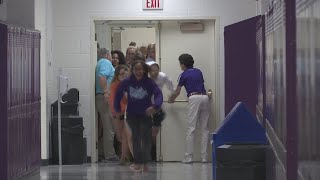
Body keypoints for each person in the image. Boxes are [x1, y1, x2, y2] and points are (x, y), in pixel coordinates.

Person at [114, 60, 163, 171]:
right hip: (131, 114)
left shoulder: (149, 82)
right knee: (135, 137)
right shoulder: (127, 82)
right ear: (133, 70)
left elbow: (158, 94)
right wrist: (117, 108)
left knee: (145, 138)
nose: (138, 72)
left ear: (145, 70)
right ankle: (138, 162)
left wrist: (155, 106)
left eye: (140, 69)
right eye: (136, 69)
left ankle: (144, 163)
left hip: (145, 114)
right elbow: (118, 94)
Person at [168, 53, 209, 163]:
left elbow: (177, 91)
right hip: (204, 97)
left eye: (180, 64)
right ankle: (204, 157)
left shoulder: (183, 74)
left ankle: (188, 157)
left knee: (191, 128)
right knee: (204, 129)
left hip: (194, 97)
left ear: (183, 64)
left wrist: (171, 99)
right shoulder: (198, 71)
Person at [146, 61, 174, 160]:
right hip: (147, 106)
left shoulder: (162, 76)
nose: (154, 72)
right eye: (151, 70)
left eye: (156, 70)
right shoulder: (145, 78)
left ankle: (153, 152)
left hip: (158, 106)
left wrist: (172, 95)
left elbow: (170, 85)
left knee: (154, 132)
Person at [95, 48, 119, 162]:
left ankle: (101, 152)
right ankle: (110, 155)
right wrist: (106, 91)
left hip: (102, 97)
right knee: (109, 127)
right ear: (108, 55)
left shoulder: (99, 62)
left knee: (105, 126)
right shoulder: (105, 62)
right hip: (105, 97)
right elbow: (102, 76)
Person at [109, 65, 131, 163]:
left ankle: (124, 157)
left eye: (125, 74)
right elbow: (113, 99)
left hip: (127, 112)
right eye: (121, 74)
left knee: (125, 136)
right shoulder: (115, 85)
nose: (123, 76)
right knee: (120, 136)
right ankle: (125, 156)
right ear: (117, 75)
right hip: (119, 112)